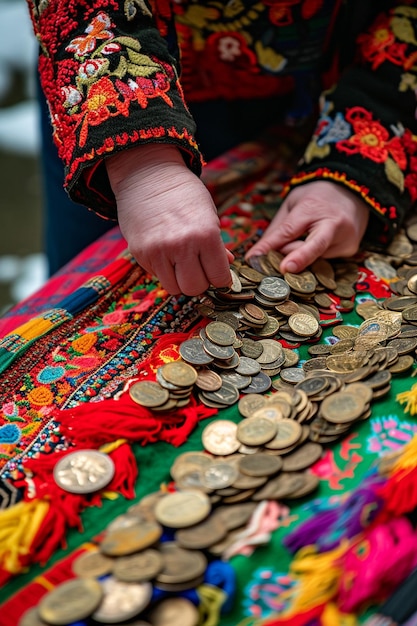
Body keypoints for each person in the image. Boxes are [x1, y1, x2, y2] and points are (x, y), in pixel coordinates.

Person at [28, 0, 417, 295]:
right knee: (82, 281)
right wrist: (141, 165)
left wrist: (355, 162)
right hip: (107, 91)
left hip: (345, 75)